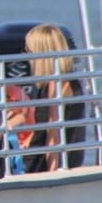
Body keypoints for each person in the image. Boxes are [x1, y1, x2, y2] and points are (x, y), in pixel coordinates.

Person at [23, 23, 87, 172]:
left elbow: (54, 134)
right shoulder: (71, 81)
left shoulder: (55, 85)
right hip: (65, 155)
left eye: (28, 49)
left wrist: (52, 173)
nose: (26, 53)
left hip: (40, 162)